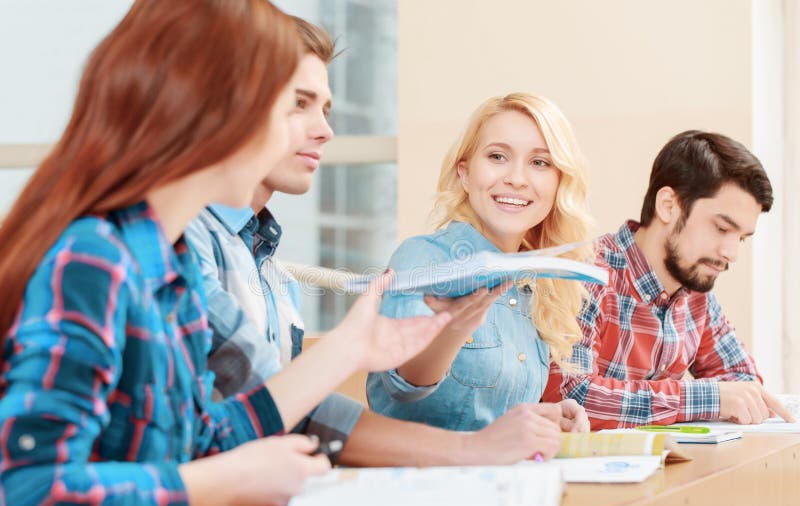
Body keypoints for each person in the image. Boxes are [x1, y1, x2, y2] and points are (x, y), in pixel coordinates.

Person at [0, 2, 452, 506]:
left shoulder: (174, 268)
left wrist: (348, 349)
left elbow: (203, 436)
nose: (301, 135)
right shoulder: (93, 260)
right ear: (208, 110)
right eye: (286, 106)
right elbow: (29, 495)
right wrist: (220, 486)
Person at [186, 20, 577, 467]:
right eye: (300, 104)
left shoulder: (270, 272)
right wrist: (471, 448)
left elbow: (289, 414)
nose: (325, 131)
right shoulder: (183, 243)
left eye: (326, 110)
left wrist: (525, 425)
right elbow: (264, 411)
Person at [366, 93, 593, 434]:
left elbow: (482, 414)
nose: (517, 178)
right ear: (465, 173)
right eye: (497, 156)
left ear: (558, 182)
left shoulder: (532, 282)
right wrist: (451, 331)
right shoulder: (424, 259)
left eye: (540, 163)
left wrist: (544, 415)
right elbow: (402, 385)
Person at [542, 130, 795, 429]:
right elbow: (571, 396)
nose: (731, 253)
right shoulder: (585, 275)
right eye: (721, 228)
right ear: (668, 206)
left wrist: (725, 397)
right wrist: (705, 398)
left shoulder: (695, 290)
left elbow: (744, 384)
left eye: (742, 238)